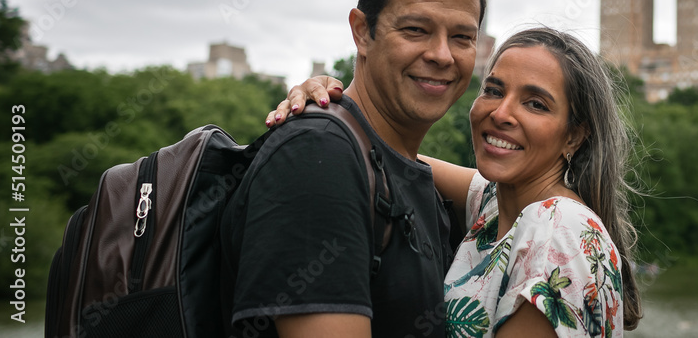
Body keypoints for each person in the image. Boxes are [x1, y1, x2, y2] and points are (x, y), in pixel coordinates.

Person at [274, 27, 643, 336]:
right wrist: (327, 106)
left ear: (574, 136)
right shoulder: (497, 203)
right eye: (494, 90)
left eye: (535, 104)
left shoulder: (557, 229)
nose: (500, 113)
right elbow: (384, 154)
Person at [220, 0, 486, 337]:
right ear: (362, 32)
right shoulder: (317, 154)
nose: (442, 55)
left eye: (462, 37)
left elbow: (529, 192)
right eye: (416, 29)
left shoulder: (394, 164)